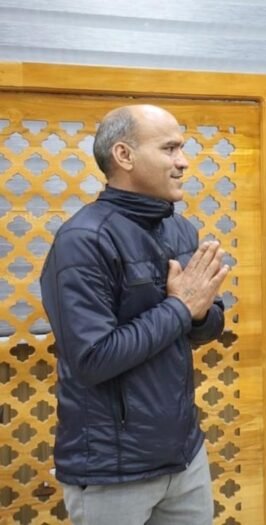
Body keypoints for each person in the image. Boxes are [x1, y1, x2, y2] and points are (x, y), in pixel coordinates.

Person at [40, 104, 230, 525]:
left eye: (181, 148)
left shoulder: (180, 229)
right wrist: (180, 308)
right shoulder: (83, 240)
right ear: (124, 156)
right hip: (112, 471)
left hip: (184, 455)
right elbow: (93, 358)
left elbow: (207, 325)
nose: (183, 161)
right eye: (170, 149)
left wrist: (200, 314)